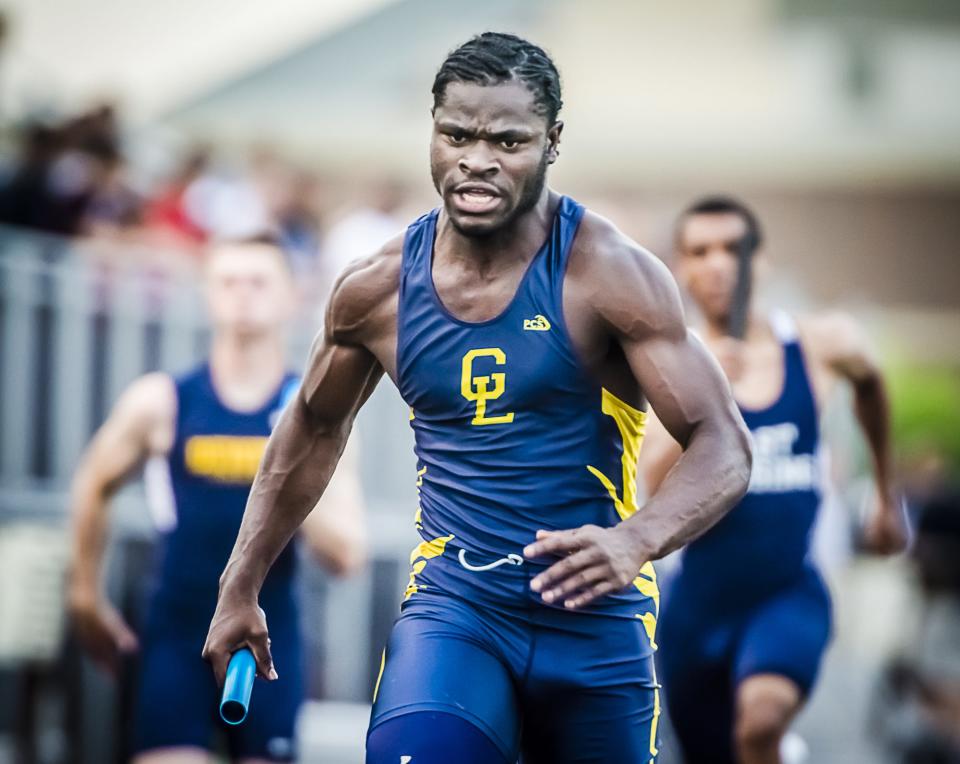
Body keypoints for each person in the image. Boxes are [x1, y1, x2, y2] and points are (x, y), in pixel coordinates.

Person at [203, 33, 752, 764]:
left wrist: (634, 541)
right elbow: (310, 430)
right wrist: (240, 584)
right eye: (456, 134)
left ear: (553, 141)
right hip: (457, 609)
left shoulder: (610, 274)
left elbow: (725, 444)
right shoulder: (376, 289)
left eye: (508, 140)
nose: (477, 159)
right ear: (431, 130)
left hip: (596, 619)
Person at [68, 236, 367, 764]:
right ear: (208, 294)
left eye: (258, 282)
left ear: (290, 297)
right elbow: (92, 482)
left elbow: (346, 555)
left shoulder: (318, 415)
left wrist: (297, 459)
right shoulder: (162, 401)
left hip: (266, 645)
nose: (243, 295)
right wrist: (86, 594)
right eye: (229, 281)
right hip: (177, 635)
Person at [641, 196, 908, 764]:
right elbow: (649, 484)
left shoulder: (816, 343)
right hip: (697, 606)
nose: (718, 265)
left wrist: (886, 494)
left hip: (788, 591)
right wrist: (706, 395)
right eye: (699, 252)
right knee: (716, 751)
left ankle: (771, 745)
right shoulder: (672, 364)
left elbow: (872, 382)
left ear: (761, 261)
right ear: (681, 269)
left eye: (734, 249)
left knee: (758, 726)